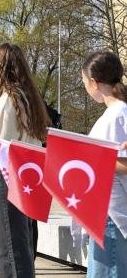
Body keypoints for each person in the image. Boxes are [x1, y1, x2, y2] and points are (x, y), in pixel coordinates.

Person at [0, 43, 48, 278]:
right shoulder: (27, 96)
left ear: (1, 67)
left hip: (5, 175)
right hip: (23, 172)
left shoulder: (7, 100)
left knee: (7, 245)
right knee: (20, 242)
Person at [80, 51, 127, 277]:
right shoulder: (115, 113)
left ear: (93, 82)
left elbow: (123, 164)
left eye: (84, 82)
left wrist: (92, 161)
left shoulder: (117, 115)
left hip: (111, 215)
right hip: (106, 213)